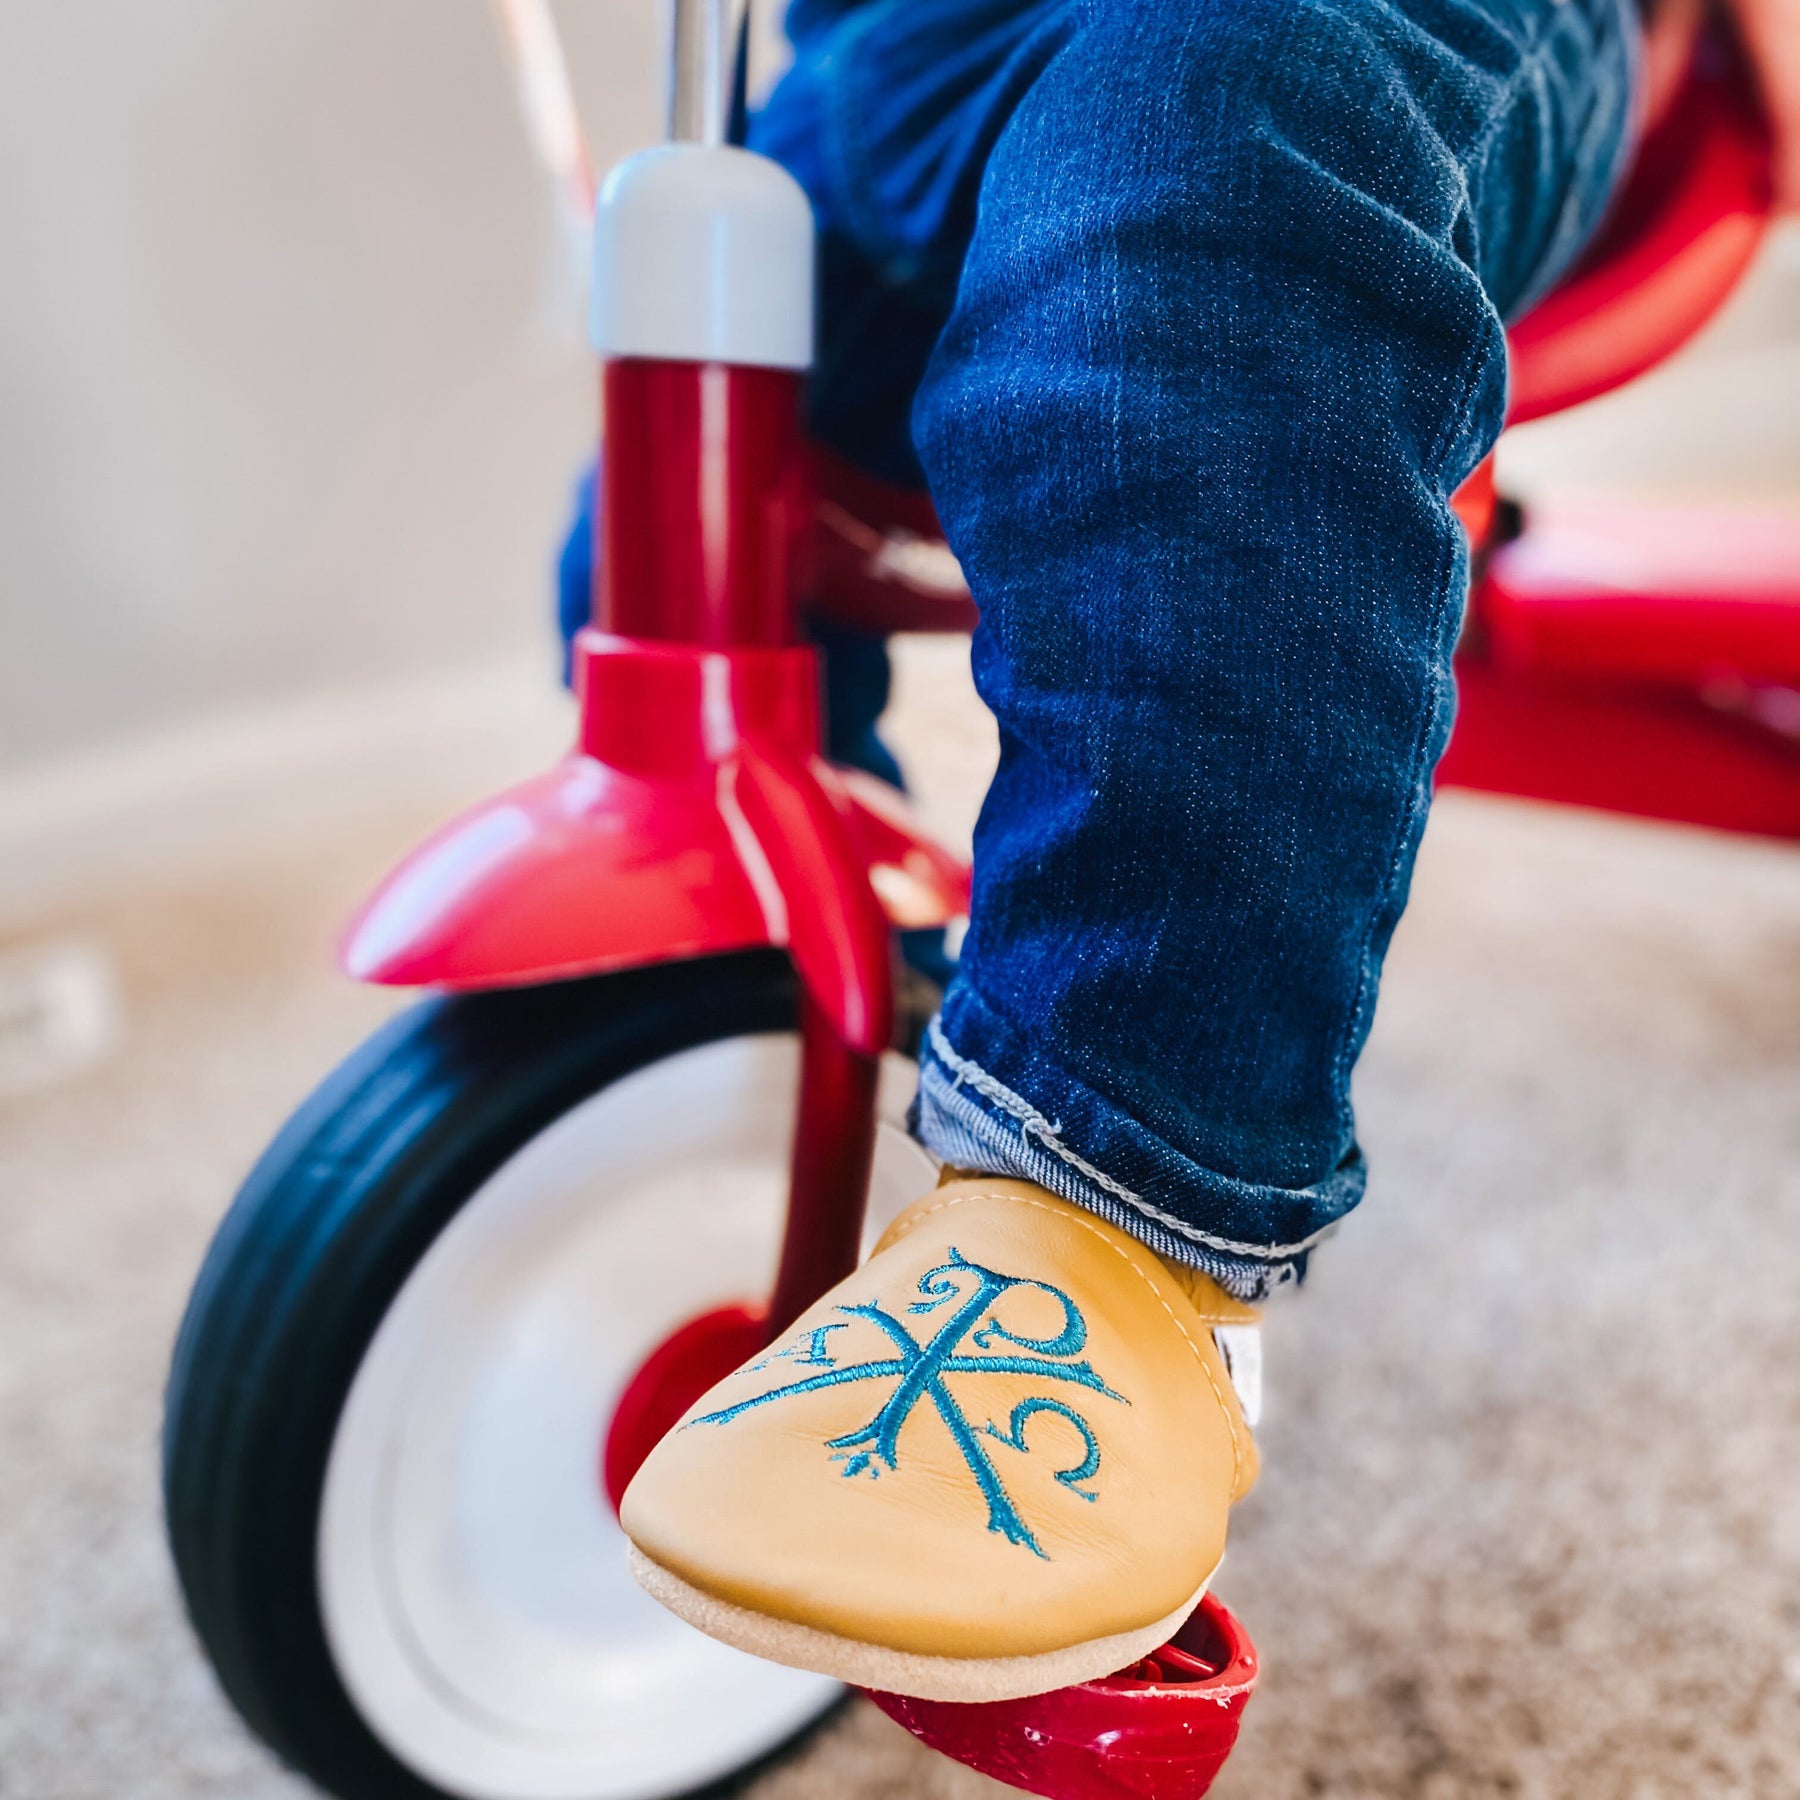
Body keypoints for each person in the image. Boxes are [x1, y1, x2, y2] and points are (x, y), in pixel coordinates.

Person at [611, 0, 1800, 1704]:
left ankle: (1117, 1196)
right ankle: (745, 996)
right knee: (689, 375)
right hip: (912, 48)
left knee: (1223, 134)